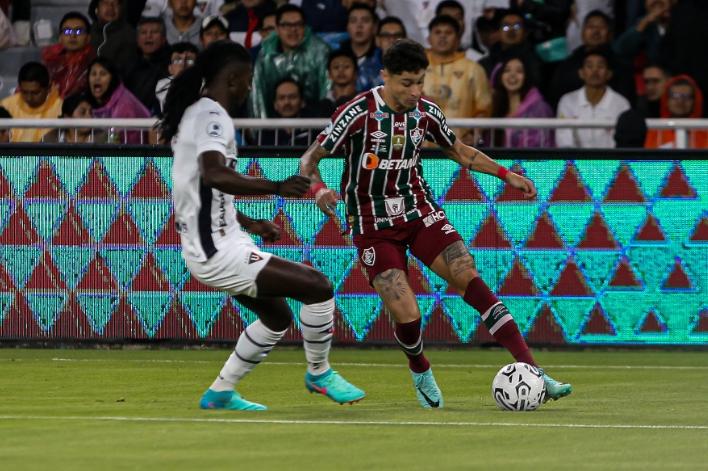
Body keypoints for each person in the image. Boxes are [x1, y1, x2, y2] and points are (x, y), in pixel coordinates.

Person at [300, 39, 572, 409]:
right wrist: (318, 190)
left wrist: (505, 174)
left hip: (419, 212)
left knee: (468, 275)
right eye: (406, 83)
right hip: (372, 223)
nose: (415, 91)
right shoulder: (357, 114)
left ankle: (535, 372)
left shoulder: (426, 113)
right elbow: (309, 159)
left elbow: (460, 152)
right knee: (408, 312)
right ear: (385, 76)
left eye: (420, 81)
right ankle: (420, 368)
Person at [158, 40, 365, 411]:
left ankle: (221, 391)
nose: (251, 87)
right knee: (318, 287)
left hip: (218, 243)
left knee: (277, 316)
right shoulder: (211, 116)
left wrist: (251, 223)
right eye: (249, 79)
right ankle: (319, 373)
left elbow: (203, 191)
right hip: (217, 251)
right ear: (234, 78)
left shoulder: (196, 113)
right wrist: (277, 187)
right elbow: (215, 174)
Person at [249, 4, 330, 118]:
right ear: (276, 29)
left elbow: (326, 91)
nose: (293, 30)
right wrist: (260, 131)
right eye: (286, 25)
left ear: (305, 27)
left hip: (314, 121)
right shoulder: (265, 54)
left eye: (298, 24)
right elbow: (258, 95)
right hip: (274, 125)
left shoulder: (320, 51)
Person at [423, 15, 490, 146]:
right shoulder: (415, 66)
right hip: (421, 147)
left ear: (458, 40)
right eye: (437, 32)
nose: (442, 36)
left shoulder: (473, 69)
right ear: (429, 39)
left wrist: (474, 135)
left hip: (459, 148)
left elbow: (484, 108)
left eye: (448, 33)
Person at [556, 49, 630, 148]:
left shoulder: (621, 104)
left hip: (610, 162)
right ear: (581, 73)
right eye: (589, 66)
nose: (595, 71)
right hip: (577, 162)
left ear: (609, 74)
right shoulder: (567, 101)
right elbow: (564, 139)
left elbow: (622, 142)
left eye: (600, 66)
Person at [487, 56, 554, 147]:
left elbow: (539, 145)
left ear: (526, 77)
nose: (512, 75)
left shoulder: (539, 109)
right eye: (507, 70)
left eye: (519, 71)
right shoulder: (495, 108)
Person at [86, 57, 151, 144]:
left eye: (103, 74)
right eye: (93, 74)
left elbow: (121, 141)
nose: (97, 78)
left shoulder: (125, 104)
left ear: (112, 79)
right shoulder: (87, 101)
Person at [0, 61, 63, 142]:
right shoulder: (5, 105)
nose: (29, 98)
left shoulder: (60, 108)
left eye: (35, 93)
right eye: (24, 92)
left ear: (49, 88)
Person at [41, 11, 95, 99]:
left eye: (79, 31)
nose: (73, 35)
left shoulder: (93, 63)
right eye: (67, 31)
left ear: (88, 38)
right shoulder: (49, 61)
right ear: (60, 38)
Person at [644, 74, 707, 148]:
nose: (680, 101)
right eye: (675, 96)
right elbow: (649, 159)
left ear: (695, 101)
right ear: (666, 100)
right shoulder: (654, 129)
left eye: (686, 96)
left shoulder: (705, 130)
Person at [125, 17, 171, 114]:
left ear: (163, 39)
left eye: (154, 32)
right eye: (143, 33)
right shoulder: (128, 65)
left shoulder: (171, 63)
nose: (148, 36)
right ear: (137, 40)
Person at [88, 0, 138, 77]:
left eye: (115, 4)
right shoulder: (88, 32)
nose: (111, 8)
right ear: (96, 8)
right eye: (105, 3)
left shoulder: (130, 35)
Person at [339, 2, 382, 92]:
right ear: (347, 27)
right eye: (353, 21)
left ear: (374, 27)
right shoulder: (337, 55)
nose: (359, 26)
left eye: (365, 21)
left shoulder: (382, 58)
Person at [257, 77, 312, 146]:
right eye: (281, 98)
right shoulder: (265, 133)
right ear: (275, 104)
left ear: (302, 102)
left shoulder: (313, 131)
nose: (287, 102)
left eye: (292, 97)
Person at [42, 92, 107, 144]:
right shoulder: (50, 139)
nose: (89, 117)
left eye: (90, 112)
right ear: (67, 118)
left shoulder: (103, 138)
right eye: (82, 112)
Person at [156, 41, 199, 111]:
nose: (183, 65)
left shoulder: (205, 85)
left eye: (189, 60)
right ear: (170, 68)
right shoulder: (163, 84)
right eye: (177, 60)